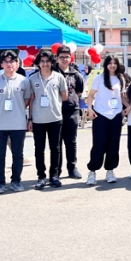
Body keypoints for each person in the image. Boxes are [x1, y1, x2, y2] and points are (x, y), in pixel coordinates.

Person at [0, 50, 32, 194]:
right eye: (6, 61)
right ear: (1, 64)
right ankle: (0, 182)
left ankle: (16, 181)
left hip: (18, 123)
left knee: (18, 154)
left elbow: (26, 100)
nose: (9, 64)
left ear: (18, 63)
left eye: (12, 61)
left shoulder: (24, 81)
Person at [28, 50, 68, 190]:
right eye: (42, 61)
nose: (45, 64)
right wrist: (30, 118)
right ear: (38, 63)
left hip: (55, 118)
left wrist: (53, 104)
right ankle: (41, 176)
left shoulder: (59, 77)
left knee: (55, 148)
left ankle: (54, 175)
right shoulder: (32, 79)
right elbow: (31, 99)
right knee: (39, 149)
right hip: (38, 120)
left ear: (52, 62)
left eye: (47, 61)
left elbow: (64, 96)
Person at [85, 55, 126, 185]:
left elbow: (122, 97)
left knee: (113, 144)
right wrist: (90, 109)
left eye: (115, 63)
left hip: (115, 115)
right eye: (110, 63)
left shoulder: (121, 79)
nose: (112, 65)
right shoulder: (99, 78)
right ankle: (92, 171)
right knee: (99, 144)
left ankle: (110, 170)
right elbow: (91, 95)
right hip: (101, 115)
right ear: (106, 64)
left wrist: (128, 106)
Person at [54, 45, 84, 179]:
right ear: (57, 58)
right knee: (56, 143)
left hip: (72, 111)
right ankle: (56, 171)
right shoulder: (53, 73)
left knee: (71, 141)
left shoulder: (76, 74)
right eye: (62, 57)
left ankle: (72, 168)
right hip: (55, 112)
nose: (65, 59)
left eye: (67, 57)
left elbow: (79, 91)